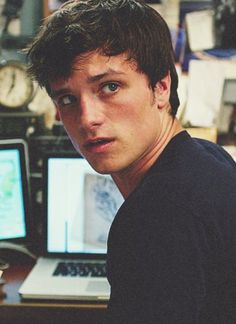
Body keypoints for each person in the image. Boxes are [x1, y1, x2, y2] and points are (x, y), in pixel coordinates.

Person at [26, 0, 236, 323]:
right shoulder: (207, 157)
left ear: (161, 87)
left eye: (110, 87)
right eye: (67, 99)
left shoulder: (155, 218)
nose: (87, 118)